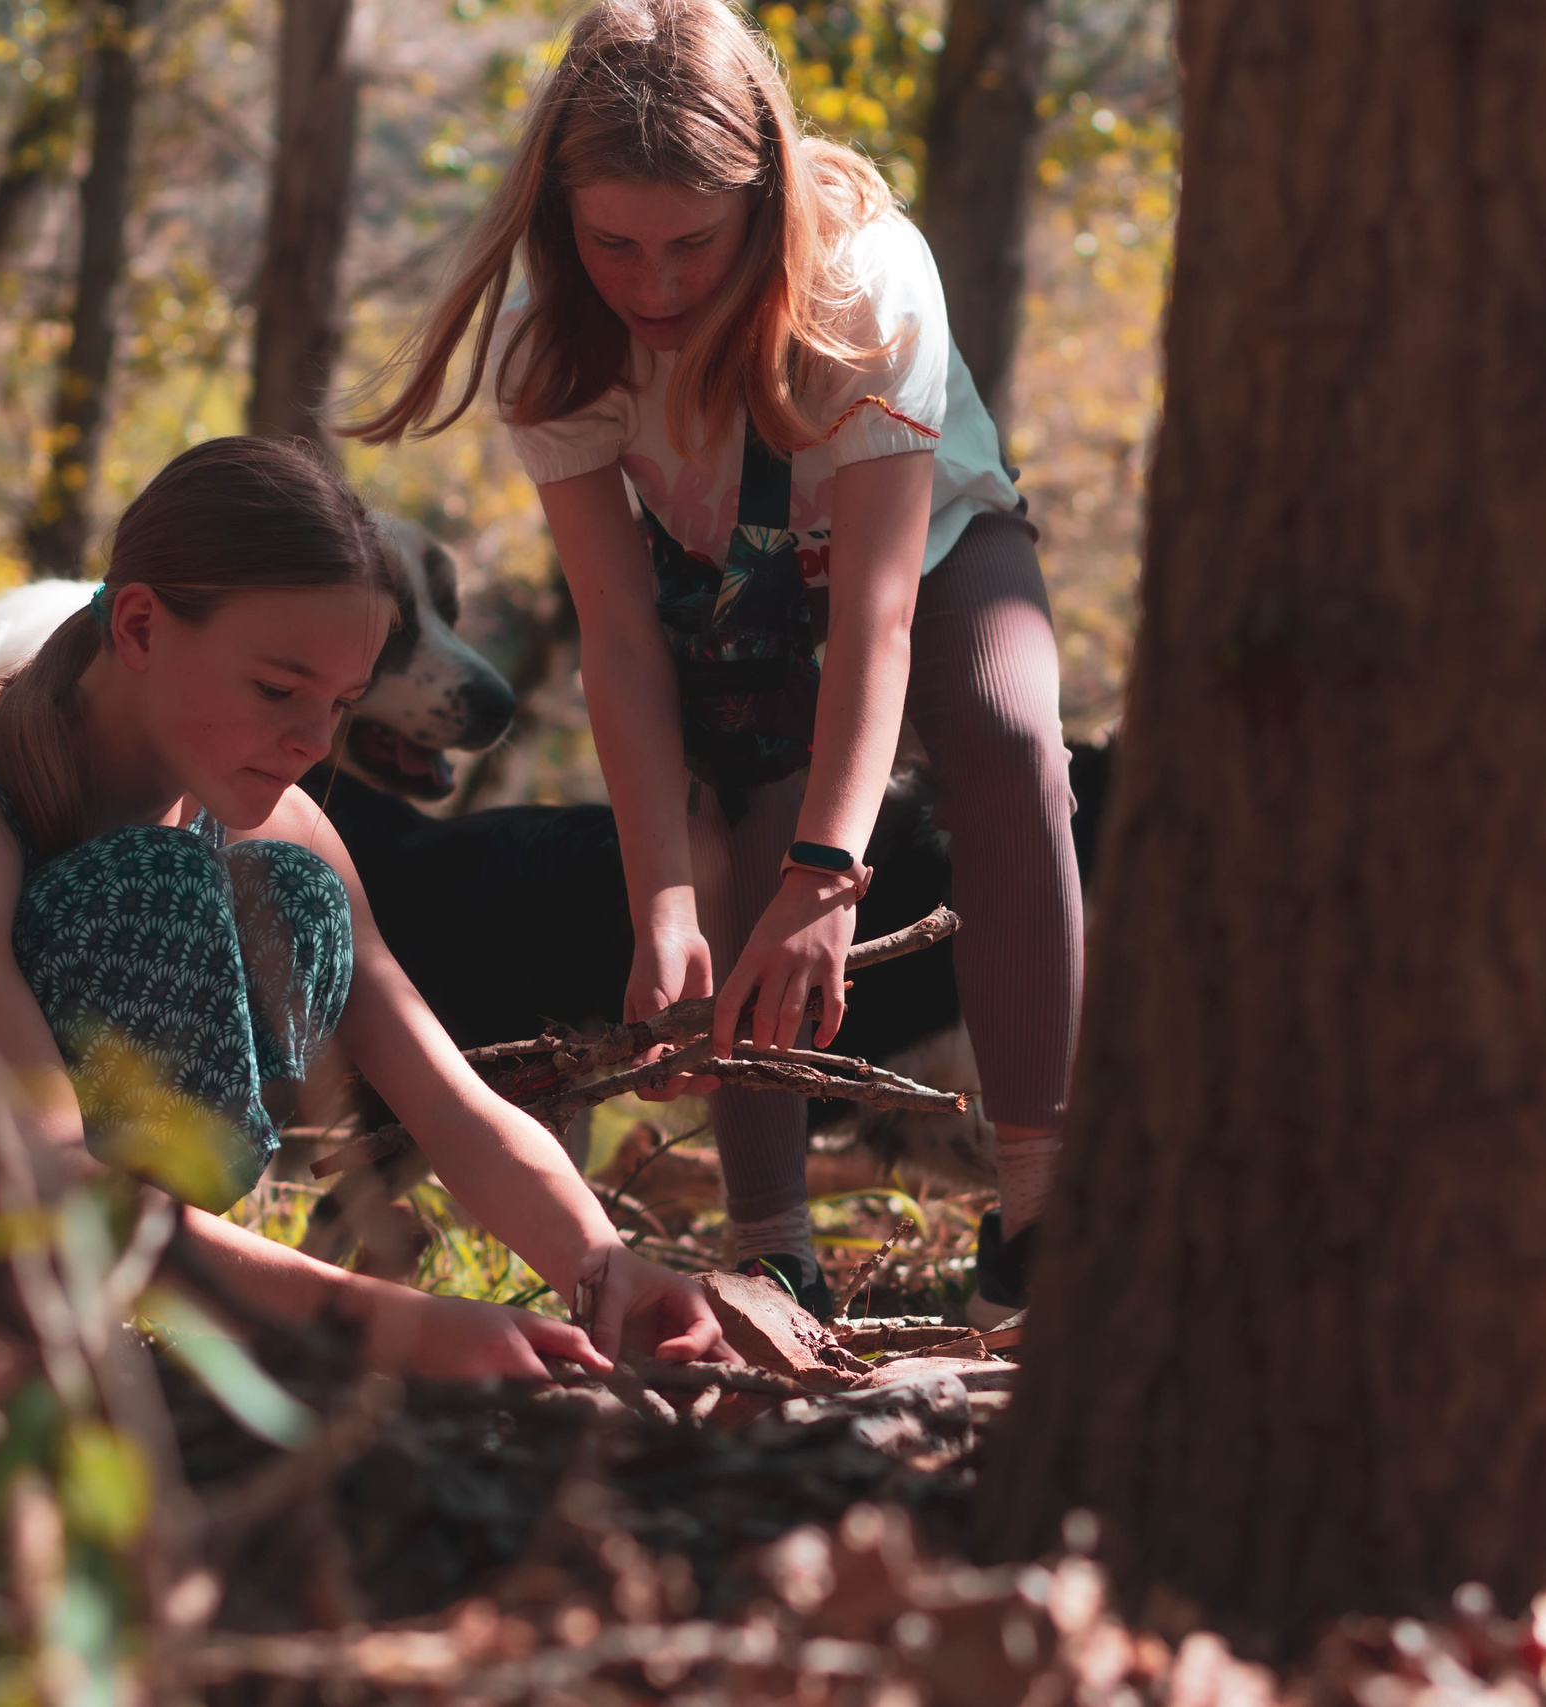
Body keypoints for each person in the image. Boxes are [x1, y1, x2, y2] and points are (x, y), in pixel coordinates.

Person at [350, 0, 1082, 1325]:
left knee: (1010, 737)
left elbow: (874, 612)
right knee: (738, 808)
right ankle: (770, 1242)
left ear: (766, 194)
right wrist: (664, 903)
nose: (660, 283)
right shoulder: (552, 340)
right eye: (615, 242)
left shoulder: (866, 278)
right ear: (560, 215)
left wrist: (831, 874)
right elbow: (623, 641)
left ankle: (1039, 1213)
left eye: (696, 240)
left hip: (922, 548)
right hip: (720, 577)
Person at [0, 436, 726, 1378]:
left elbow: (452, 1105)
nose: (312, 741)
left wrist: (602, 1267)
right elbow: (41, 1165)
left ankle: (23, 1328)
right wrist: (388, 1326)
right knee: (148, 889)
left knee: (297, 897)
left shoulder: (277, 823)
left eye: (338, 703)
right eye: (277, 688)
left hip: (13, 1239)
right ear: (141, 624)